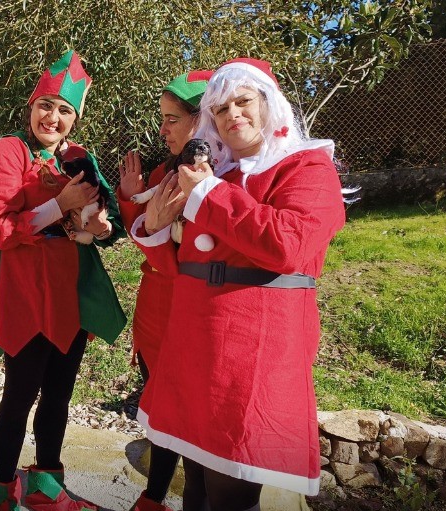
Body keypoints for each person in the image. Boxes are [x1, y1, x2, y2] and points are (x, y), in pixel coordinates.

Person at [130, 58, 346, 511]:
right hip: (196, 345)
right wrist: (155, 227)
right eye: (221, 108)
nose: (233, 116)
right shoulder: (214, 176)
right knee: (195, 483)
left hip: (253, 355)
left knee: (232, 490)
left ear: (270, 104)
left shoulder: (307, 168)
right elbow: (177, 267)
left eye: (243, 102)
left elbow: (289, 244)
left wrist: (207, 195)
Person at [0, 50, 127, 511]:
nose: (53, 116)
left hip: (70, 293)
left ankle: (45, 486)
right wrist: (58, 205)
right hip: (26, 290)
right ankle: (1, 492)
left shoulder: (82, 157)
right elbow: (0, 230)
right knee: (19, 393)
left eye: (65, 110)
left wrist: (101, 227)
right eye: (46, 104)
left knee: (60, 392)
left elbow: (111, 224)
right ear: (30, 107)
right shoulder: (8, 151)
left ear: (74, 120)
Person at [116, 70, 212, 511]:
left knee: (189, 414)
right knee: (161, 407)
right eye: (163, 118)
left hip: (188, 311)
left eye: (172, 119)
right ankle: (153, 496)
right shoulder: (164, 171)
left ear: (202, 121)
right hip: (153, 312)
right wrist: (129, 196)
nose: (163, 129)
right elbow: (139, 230)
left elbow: (178, 251)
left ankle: (171, 497)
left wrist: (152, 228)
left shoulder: (218, 176)